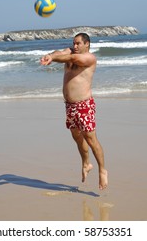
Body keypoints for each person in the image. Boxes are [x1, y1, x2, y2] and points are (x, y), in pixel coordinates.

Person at [40, 33, 108, 190]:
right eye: (73, 43)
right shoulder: (70, 51)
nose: (75, 46)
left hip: (84, 105)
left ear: (87, 44)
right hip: (70, 106)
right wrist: (51, 55)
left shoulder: (89, 58)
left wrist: (55, 58)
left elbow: (71, 59)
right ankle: (86, 162)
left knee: (90, 139)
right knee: (77, 137)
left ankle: (102, 170)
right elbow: (61, 53)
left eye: (78, 43)